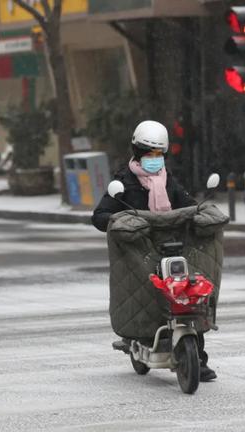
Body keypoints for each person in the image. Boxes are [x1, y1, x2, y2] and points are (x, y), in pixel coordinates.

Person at [91, 120, 217, 382]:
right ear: (137, 152)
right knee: (146, 297)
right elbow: (101, 216)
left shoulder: (168, 179)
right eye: (149, 154)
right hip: (142, 252)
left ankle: (198, 359)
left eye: (159, 155)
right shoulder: (123, 182)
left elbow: (188, 205)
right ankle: (141, 337)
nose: (154, 160)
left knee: (188, 295)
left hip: (174, 247)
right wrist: (123, 222)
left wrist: (200, 215)